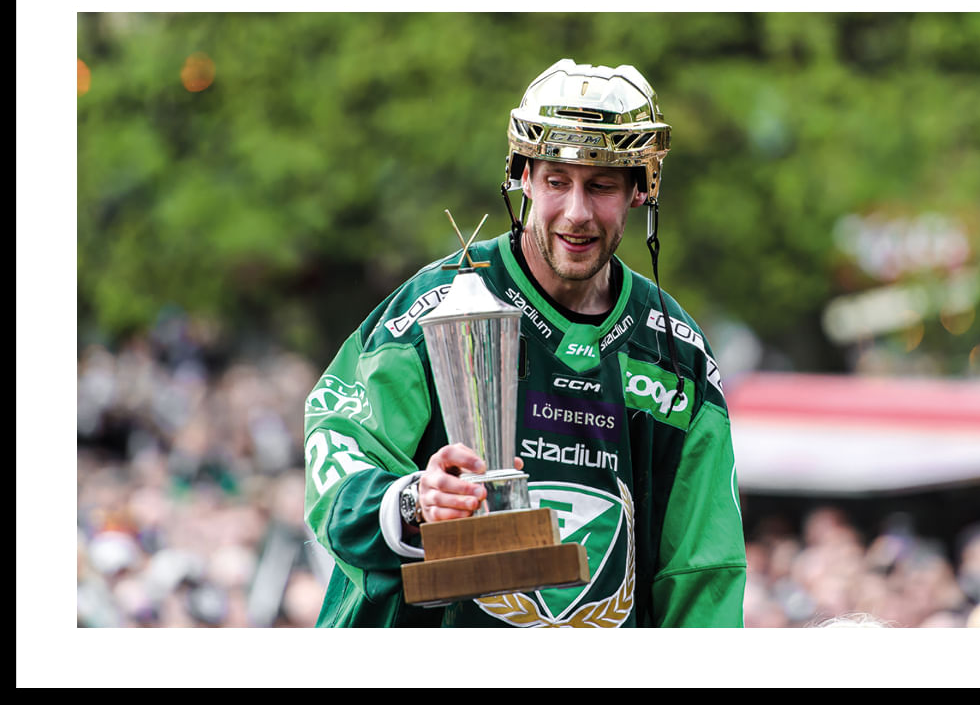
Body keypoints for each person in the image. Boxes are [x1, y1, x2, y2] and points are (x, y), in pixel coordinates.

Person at [303, 59, 747, 627]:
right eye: (557, 181)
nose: (577, 213)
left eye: (602, 185)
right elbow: (337, 451)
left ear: (641, 190)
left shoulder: (676, 355)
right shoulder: (435, 305)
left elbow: (704, 571)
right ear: (524, 177)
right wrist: (415, 501)